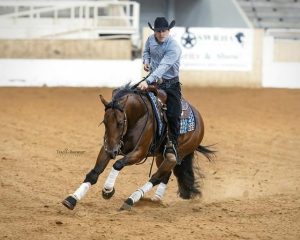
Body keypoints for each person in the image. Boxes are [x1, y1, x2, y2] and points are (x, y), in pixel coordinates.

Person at [138, 17, 182, 159]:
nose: (161, 34)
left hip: (170, 85)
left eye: (164, 31)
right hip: (154, 82)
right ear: (154, 31)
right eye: (158, 31)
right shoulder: (150, 39)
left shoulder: (174, 47)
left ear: (169, 31)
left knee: (174, 114)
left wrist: (148, 80)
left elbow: (163, 66)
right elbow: (146, 52)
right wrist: (146, 61)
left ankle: (173, 144)